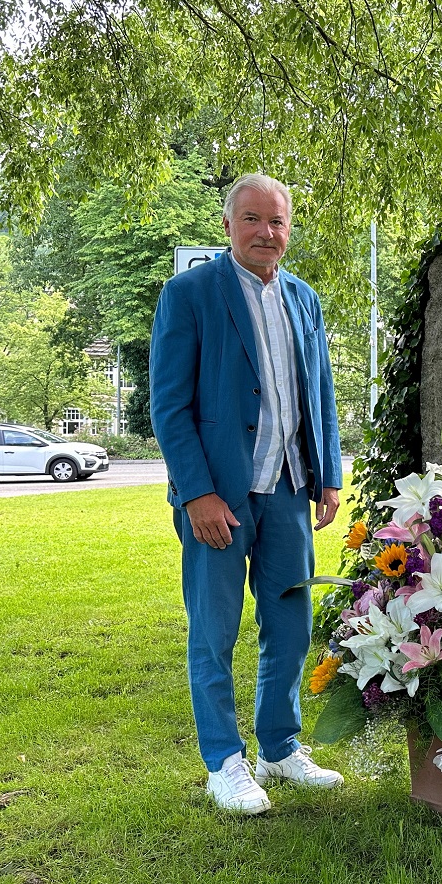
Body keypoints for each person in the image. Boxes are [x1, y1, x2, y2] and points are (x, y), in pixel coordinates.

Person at [151, 173, 344, 814]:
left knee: (290, 627)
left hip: (289, 489)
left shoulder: (303, 299)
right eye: (254, 219)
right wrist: (196, 494)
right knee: (213, 631)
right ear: (229, 225)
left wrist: (328, 475)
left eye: (278, 221)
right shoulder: (190, 295)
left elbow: (318, 391)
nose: (268, 232)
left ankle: (280, 748)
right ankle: (224, 761)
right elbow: (170, 407)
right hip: (220, 499)